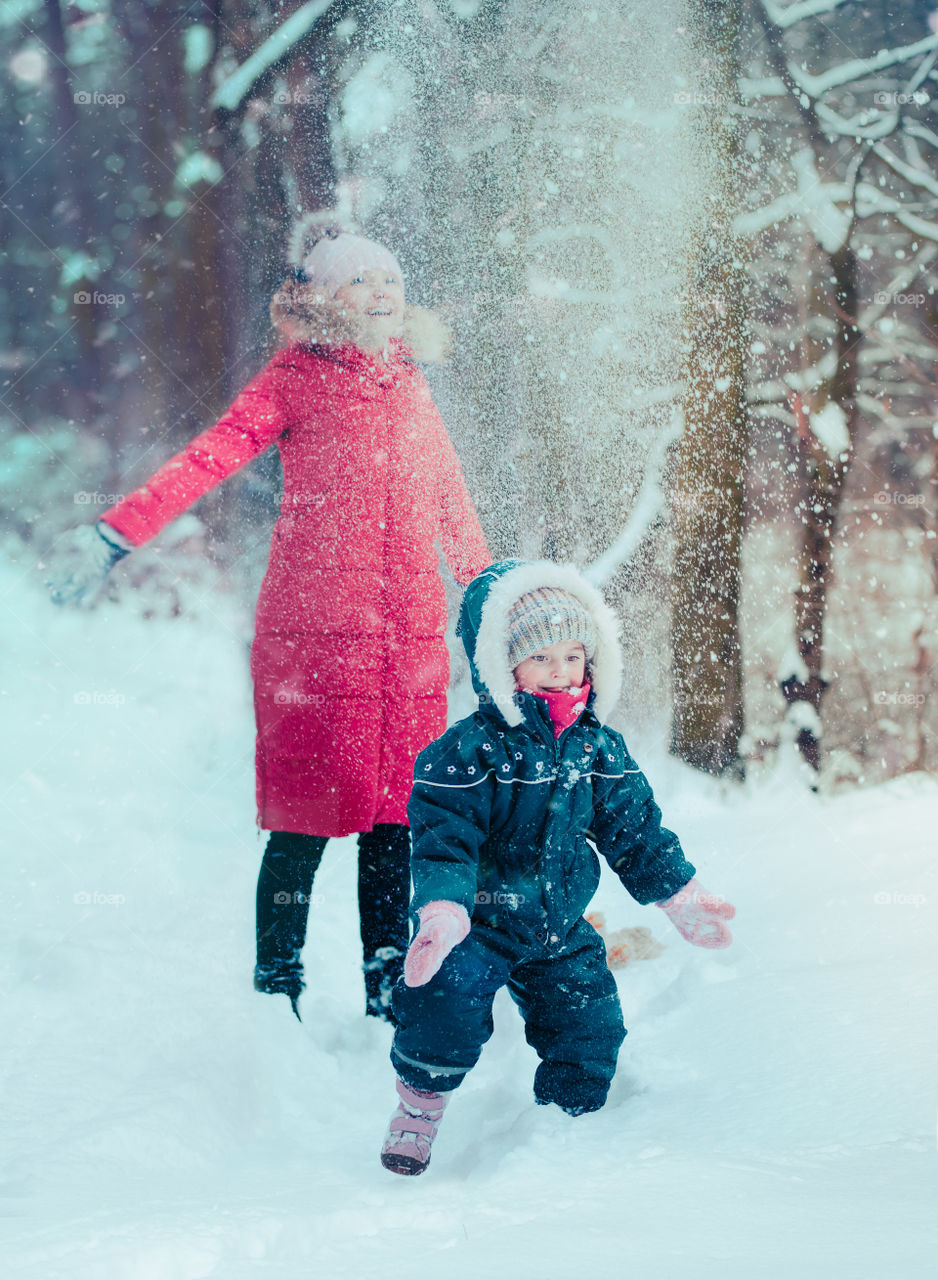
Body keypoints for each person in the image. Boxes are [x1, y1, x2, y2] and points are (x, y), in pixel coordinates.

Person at [45, 216, 491, 1021]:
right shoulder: (294, 378)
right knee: (305, 820)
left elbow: (449, 496)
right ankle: (276, 985)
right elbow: (208, 457)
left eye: (389, 279)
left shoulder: (412, 380)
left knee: (398, 823)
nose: (381, 292)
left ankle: (389, 989)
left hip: (412, 641)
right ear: (322, 298)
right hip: (318, 637)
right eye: (361, 281)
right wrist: (119, 532)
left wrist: (488, 589)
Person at [378, 559, 736, 1175]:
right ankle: (420, 1106)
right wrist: (443, 911)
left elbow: (636, 832)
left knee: (590, 1027)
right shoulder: (465, 753)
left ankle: (567, 1133)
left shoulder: (598, 746)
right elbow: (445, 843)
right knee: (443, 1000)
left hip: (561, 925)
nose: (561, 672)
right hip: (481, 923)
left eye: (574, 656)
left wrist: (681, 896)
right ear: (500, 664)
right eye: (541, 658)